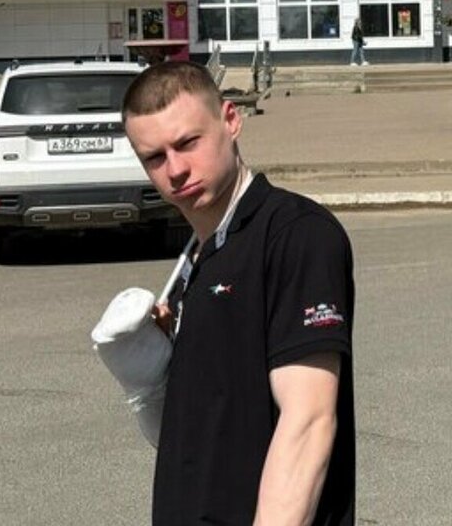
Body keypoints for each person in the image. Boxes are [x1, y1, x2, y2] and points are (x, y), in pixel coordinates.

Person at [121, 61, 355, 526]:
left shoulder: (296, 234)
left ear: (231, 120)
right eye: (155, 157)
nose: (175, 170)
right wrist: (145, 381)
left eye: (188, 143)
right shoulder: (198, 256)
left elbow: (308, 421)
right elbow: (197, 437)